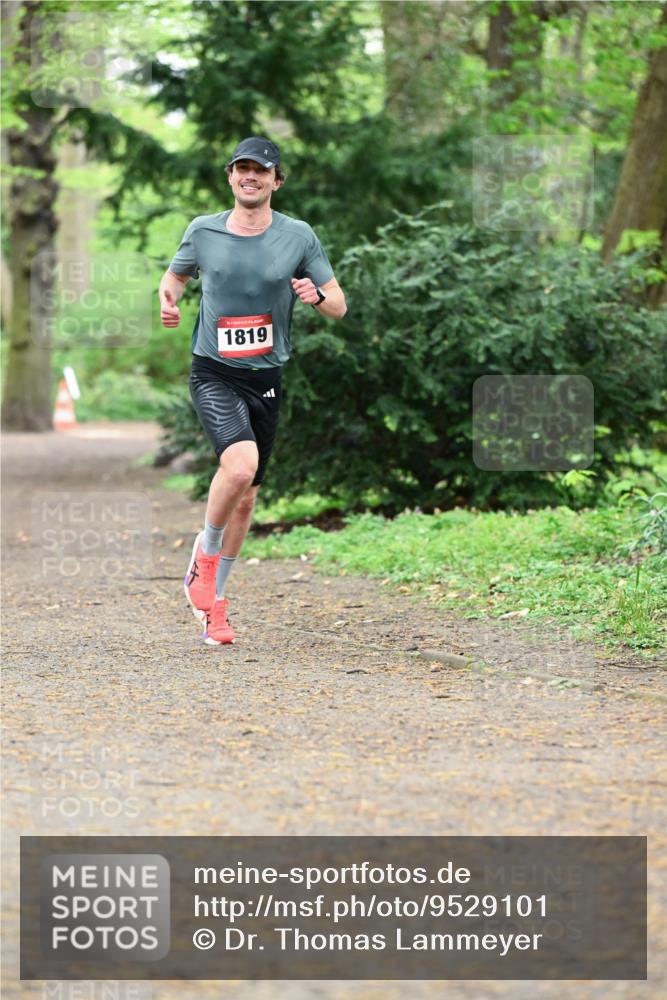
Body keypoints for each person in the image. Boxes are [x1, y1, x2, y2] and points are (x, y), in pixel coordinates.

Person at [159, 136, 347, 646]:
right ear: (230, 177)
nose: (251, 177)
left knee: (247, 499)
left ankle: (215, 604)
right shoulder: (203, 230)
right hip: (214, 370)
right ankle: (204, 554)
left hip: (266, 377)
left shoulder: (298, 236)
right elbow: (173, 279)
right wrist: (169, 301)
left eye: (261, 171)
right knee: (238, 467)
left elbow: (339, 306)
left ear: (276, 181)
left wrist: (316, 294)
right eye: (242, 169)